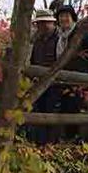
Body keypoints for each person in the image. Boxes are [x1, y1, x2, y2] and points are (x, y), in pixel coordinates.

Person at [53, 4, 88, 142]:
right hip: (63, 80)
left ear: (73, 17)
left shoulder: (82, 34)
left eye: (67, 16)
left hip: (80, 80)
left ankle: (76, 140)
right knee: (65, 109)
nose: (64, 19)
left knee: (75, 108)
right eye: (61, 16)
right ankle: (65, 139)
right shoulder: (60, 37)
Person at [26, 9, 58, 144]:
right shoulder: (38, 40)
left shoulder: (60, 38)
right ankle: (38, 142)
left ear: (52, 22)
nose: (42, 26)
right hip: (38, 82)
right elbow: (34, 60)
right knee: (36, 112)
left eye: (45, 23)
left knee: (51, 113)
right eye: (39, 23)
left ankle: (50, 144)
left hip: (55, 83)